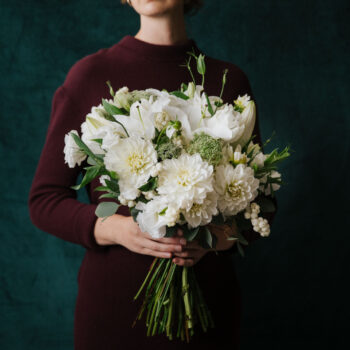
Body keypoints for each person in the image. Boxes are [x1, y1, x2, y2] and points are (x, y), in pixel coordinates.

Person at [28, 0, 277, 349]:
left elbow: (262, 204)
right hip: (114, 313)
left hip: (208, 313)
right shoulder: (91, 75)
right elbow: (44, 199)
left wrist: (214, 240)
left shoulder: (228, 82)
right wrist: (113, 227)